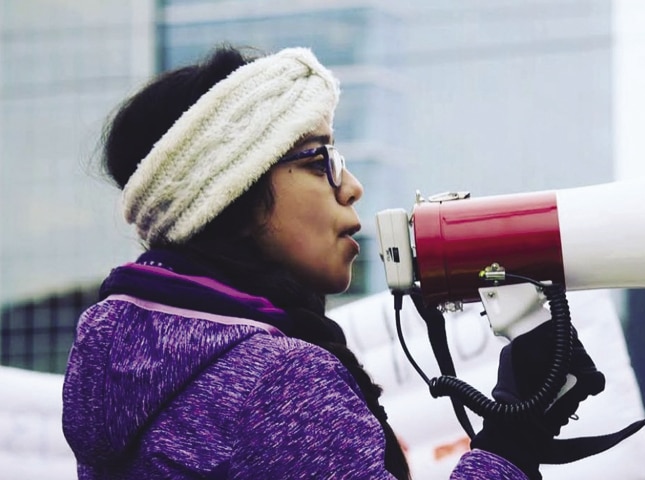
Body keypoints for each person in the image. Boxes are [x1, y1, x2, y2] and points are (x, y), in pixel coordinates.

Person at [62, 45, 597, 480]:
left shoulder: (119, 365)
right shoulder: (275, 379)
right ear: (235, 194)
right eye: (321, 160)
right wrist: (513, 439)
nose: (353, 187)